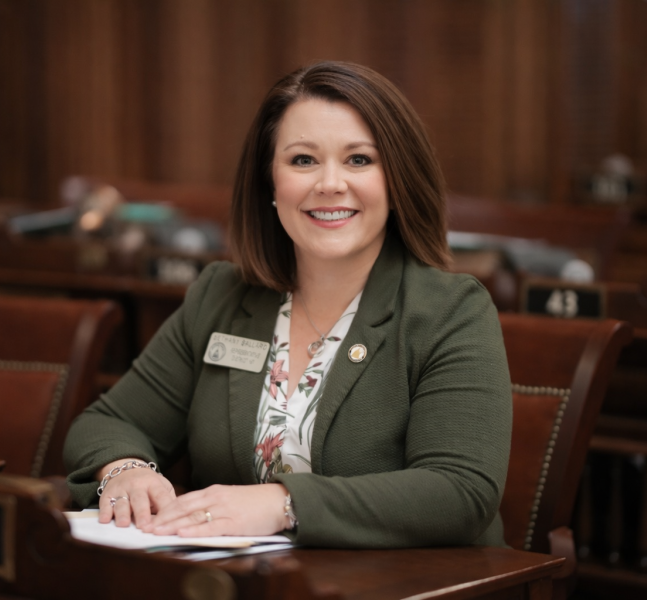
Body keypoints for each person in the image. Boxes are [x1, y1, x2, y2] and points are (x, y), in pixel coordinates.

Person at [64, 61, 513, 549]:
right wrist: (125, 471)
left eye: (359, 160)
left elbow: (460, 492)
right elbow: (108, 422)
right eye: (303, 160)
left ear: (397, 180)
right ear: (270, 184)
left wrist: (282, 504)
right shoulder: (223, 295)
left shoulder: (452, 312)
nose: (330, 184)